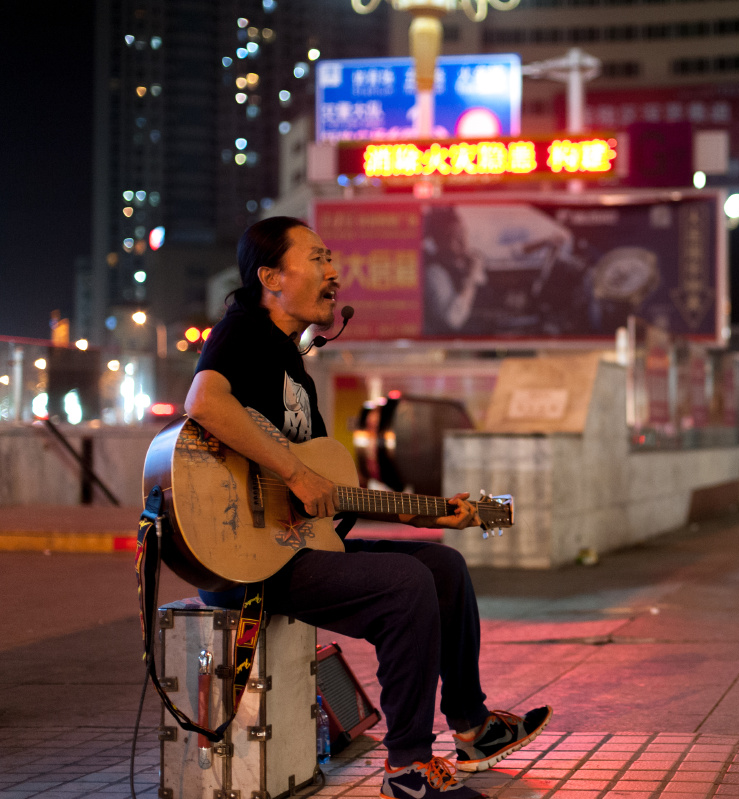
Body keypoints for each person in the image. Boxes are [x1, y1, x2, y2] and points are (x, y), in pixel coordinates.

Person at [185, 216, 550, 799]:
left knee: (444, 568)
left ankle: (474, 727)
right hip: (246, 562)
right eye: (319, 258)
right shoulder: (245, 331)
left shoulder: (292, 372)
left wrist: (419, 512)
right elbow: (204, 401)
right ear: (271, 277)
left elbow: (326, 497)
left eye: (334, 260)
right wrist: (296, 472)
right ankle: (407, 766)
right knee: (404, 583)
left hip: (292, 549)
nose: (335, 272)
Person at [423, 206, 488, 336]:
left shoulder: (467, 264)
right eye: (454, 236)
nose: (463, 241)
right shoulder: (434, 274)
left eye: (464, 233)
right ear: (439, 243)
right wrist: (470, 279)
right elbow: (453, 321)